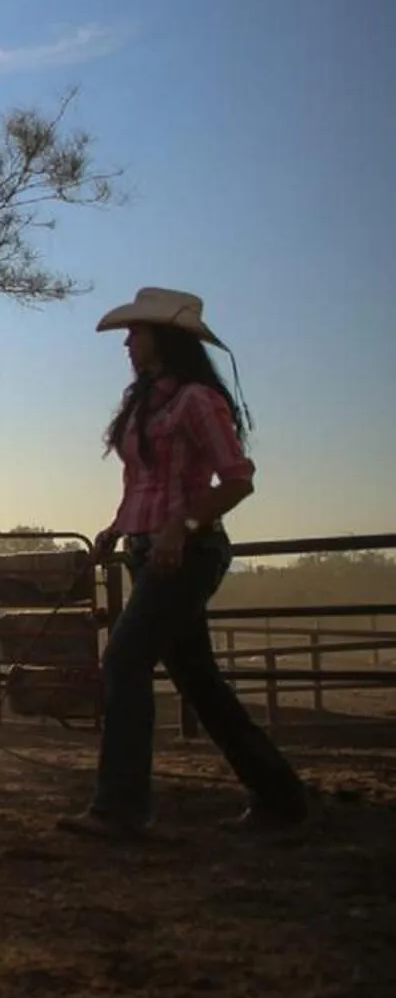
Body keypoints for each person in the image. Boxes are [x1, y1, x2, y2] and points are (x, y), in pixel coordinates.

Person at [58, 287, 307, 839]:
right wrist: (117, 529)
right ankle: (281, 796)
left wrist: (180, 526)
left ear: (163, 338)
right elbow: (143, 484)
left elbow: (238, 480)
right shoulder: (144, 400)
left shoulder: (197, 400)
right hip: (150, 549)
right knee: (198, 680)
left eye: (137, 331)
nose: (128, 340)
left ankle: (120, 808)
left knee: (124, 661)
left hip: (187, 552)